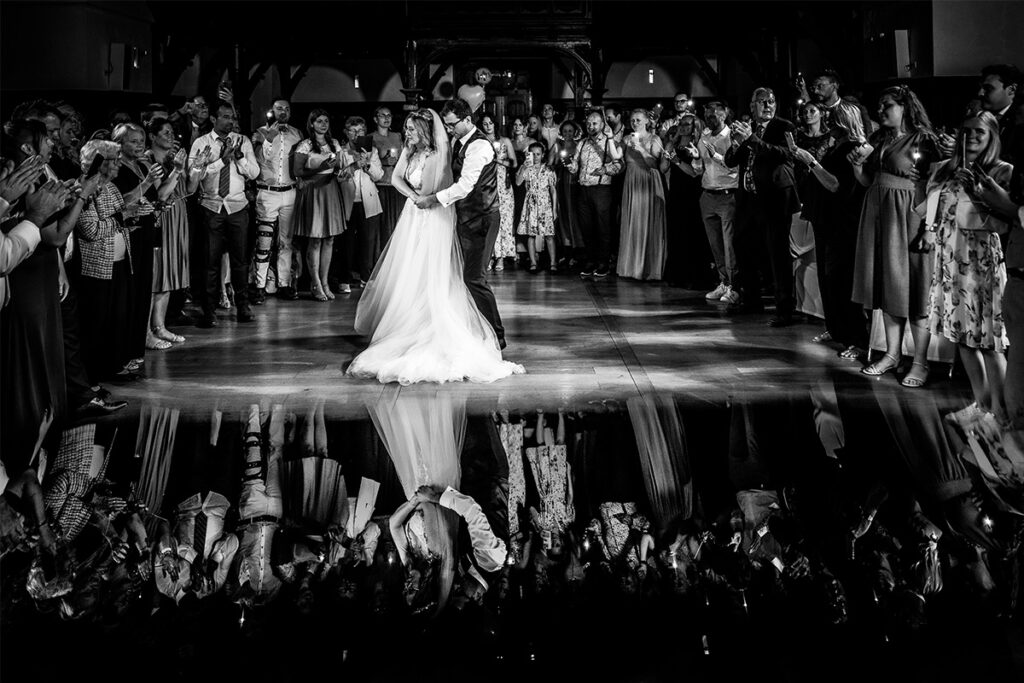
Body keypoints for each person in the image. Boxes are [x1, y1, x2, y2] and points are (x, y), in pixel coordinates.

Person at [347, 108, 523, 384]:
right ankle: (416, 325)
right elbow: (396, 179)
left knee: (469, 277)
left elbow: (461, 186)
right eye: (447, 125)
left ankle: (494, 336)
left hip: (468, 215)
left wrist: (427, 199)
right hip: (425, 212)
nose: (407, 133)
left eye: (412, 129)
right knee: (418, 273)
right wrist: (414, 196)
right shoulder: (444, 145)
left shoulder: (472, 147)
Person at [922, 112, 1014, 420]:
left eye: (979, 132)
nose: (971, 137)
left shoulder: (1001, 171)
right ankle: (982, 404)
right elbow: (931, 210)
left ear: (992, 137)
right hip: (950, 260)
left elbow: (1006, 222)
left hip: (981, 262)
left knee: (989, 342)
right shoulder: (946, 168)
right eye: (967, 131)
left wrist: (976, 192)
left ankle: (1001, 412)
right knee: (962, 338)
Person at [850, 85, 938, 387]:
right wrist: (857, 167)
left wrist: (928, 226)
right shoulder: (879, 139)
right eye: (879, 105)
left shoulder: (924, 140)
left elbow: (936, 185)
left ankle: (920, 362)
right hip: (878, 214)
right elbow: (867, 180)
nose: (881, 110)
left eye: (887, 105)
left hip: (908, 215)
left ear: (905, 107)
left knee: (914, 287)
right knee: (889, 285)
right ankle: (892, 353)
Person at [725, 87, 800, 326]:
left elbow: (784, 154)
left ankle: (784, 309)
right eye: (762, 101)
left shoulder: (784, 127)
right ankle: (751, 300)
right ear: (752, 106)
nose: (768, 105)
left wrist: (752, 139)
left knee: (777, 254)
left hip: (774, 198)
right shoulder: (749, 128)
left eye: (771, 101)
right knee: (743, 247)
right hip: (748, 199)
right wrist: (736, 143)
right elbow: (730, 161)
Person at [189, 102, 259, 327]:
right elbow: (194, 174)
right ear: (214, 118)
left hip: (237, 207)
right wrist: (222, 161)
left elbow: (254, 173)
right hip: (212, 207)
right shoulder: (202, 143)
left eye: (233, 117)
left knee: (240, 260)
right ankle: (209, 310)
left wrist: (239, 158)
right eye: (226, 117)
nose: (230, 121)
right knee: (210, 262)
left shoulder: (242, 141)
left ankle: (243, 306)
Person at [145, 118, 193, 346]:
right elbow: (161, 195)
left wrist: (196, 167)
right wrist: (177, 170)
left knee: (168, 275)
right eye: (165, 132)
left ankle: (160, 326)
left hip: (177, 219)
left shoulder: (173, 160)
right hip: (160, 220)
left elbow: (189, 190)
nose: (171, 136)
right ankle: (146, 332)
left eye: (172, 132)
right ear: (152, 136)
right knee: (155, 277)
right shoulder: (148, 160)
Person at [251, 97, 303, 303]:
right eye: (279, 108)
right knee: (264, 240)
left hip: (289, 191)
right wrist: (268, 138)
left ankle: (284, 284)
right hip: (267, 192)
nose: (283, 112)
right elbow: (259, 159)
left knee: (286, 241)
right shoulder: (260, 132)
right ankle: (259, 285)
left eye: (287, 109)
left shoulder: (297, 134)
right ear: (272, 111)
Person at [291, 109, 345, 301]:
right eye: (319, 121)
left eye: (326, 121)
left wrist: (343, 171)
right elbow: (297, 171)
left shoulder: (334, 143)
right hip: (313, 189)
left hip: (330, 188)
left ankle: (325, 281)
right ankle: (315, 283)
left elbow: (340, 167)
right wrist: (319, 168)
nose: (323, 124)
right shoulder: (305, 145)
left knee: (329, 238)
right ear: (312, 124)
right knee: (315, 238)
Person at [691, 102, 740, 303]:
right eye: (706, 116)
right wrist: (696, 158)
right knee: (716, 245)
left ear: (723, 115)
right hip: (708, 194)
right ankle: (723, 282)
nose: (709, 120)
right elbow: (698, 170)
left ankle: (735, 287)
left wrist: (717, 156)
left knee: (730, 246)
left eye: (713, 116)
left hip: (727, 194)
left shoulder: (732, 136)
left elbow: (735, 167)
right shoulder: (704, 137)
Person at [567, 110, 623, 277]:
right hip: (583, 189)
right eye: (588, 124)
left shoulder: (610, 142)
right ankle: (590, 261)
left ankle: (603, 263)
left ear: (602, 124)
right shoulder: (582, 143)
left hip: (601, 190)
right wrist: (571, 166)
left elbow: (619, 165)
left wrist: (606, 169)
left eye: (594, 123)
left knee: (603, 228)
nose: (591, 126)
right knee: (586, 228)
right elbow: (576, 165)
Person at [617, 109, 667, 281]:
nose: (635, 123)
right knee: (633, 221)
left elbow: (654, 164)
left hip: (648, 181)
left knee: (647, 220)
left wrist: (640, 148)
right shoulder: (626, 139)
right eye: (632, 120)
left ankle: (648, 268)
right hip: (631, 181)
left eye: (638, 120)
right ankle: (631, 266)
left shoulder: (654, 139)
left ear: (646, 121)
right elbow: (618, 159)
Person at [338, 116, 384, 289]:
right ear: (346, 132)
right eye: (353, 130)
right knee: (346, 243)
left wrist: (367, 164)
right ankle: (344, 278)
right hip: (347, 201)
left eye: (361, 131)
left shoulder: (372, 151)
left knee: (368, 242)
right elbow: (338, 177)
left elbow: (379, 176)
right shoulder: (341, 151)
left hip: (368, 201)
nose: (357, 134)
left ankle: (366, 276)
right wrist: (355, 164)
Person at [480, 115, 517, 271]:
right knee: (488, 221)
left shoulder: (505, 141)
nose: (488, 126)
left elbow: (514, 163)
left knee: (504, 221)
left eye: (490, 123)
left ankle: (501, 257)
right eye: (485, 124)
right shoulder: (480, 142)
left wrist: (497, 160)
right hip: (486, 183)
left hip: (503, 184)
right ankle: (489, 256)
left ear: (495, 124)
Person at [515, 141, 558, 273]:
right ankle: (533, 263)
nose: (535, 157)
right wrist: (523, 166)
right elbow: (518, 182)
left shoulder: (549, 170)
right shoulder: (526, 168)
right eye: (532, 154)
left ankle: (553, 263)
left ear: (543, 155)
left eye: (538, 154)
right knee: (531, 235)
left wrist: (554, 209)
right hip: (531, 204)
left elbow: (553, 190)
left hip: (545, 204)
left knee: (549, 235)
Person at [370, 107, 404, 248]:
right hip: (380, 185)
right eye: (382, 115)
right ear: (375, 119)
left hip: (396, 184)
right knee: (383, 224)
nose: (386, 118)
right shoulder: (371, 137)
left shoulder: (397, 136)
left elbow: (404, 156)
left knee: (397, 222)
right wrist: (384, 161)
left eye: (389, 115)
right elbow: (369, 162)